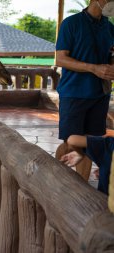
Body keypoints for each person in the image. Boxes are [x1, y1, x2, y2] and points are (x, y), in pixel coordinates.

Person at [55, 0, 114, 180]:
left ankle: (82, 187)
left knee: (90, 144)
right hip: (74, 93)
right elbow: (61, 60)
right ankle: (55, 181)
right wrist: (93, 68)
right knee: (70, 142)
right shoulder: (71, 23)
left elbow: (111, 56)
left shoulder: (110, 28)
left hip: (100, 94)